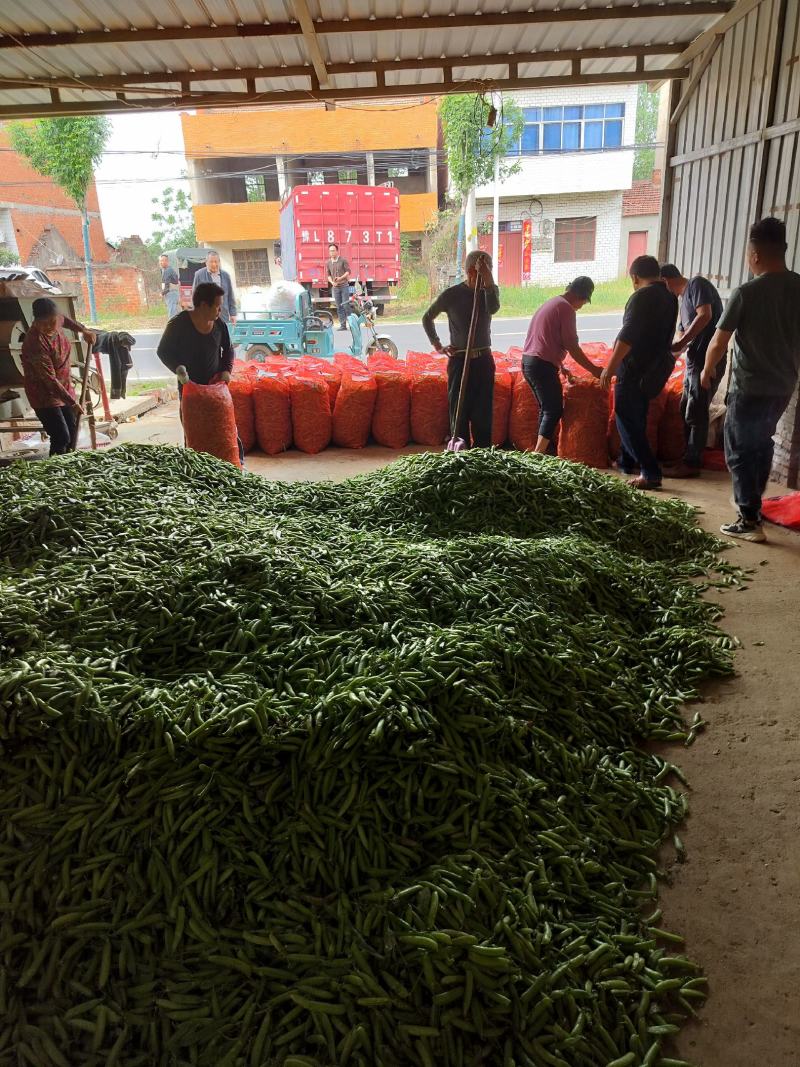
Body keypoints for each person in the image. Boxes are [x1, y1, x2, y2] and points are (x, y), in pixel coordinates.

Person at [700, 217, 800, 542]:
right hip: (783, 386)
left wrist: (706, 370)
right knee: (762, 443)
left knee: (740, 450)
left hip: (750, 388)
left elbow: (719, 340)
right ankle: (752, 503)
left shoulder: (746, 292)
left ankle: (748, 519)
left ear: (755, 255)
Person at [599, 255, 678, 490]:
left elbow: (628, 336)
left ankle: (650, 473)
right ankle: (627, 462)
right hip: (654, 371)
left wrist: (609, 368)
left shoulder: (641, 296)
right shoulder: (669, 296)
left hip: (634, 371)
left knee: (626, 419)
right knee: (638, 418)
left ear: (635, 277)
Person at [157, 282, 243, 464]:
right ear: (204, 305)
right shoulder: (179, 324)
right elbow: (163, 351)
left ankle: (235, 465)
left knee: (224, 428)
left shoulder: (219, 325)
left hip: (216, 390)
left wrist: (226, 370)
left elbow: (228, 350)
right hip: (190, 390)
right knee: (195, 433)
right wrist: (178, 369)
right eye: (217, 306)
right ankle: (198, 469)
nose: (220, 311)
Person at [422, 250, 500, 448]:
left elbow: (493, 308)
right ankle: (461, 454)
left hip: (483, 360)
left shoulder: (489, 291)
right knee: (459, 411)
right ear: (470, 272)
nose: (487, 275)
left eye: (490, 270)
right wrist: (438, 345)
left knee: (483, 413)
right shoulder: (452, 295)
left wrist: (488, 281)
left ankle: (483, 456)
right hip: (459, 360)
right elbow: (427, 318)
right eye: (484, 270)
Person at [521, 276, 600, 454]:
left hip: (529, 362)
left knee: (546, 407)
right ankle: (537, 454)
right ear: (581, 296)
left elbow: (546, 338)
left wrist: (561, 366)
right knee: (554, 409)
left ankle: (539, 450)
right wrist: (594, 370)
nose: (581, 306)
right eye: (584, 302)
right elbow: (572, 346)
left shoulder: (553, 302)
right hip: (541, 365)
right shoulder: (566, 309)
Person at [660, 263, 724, 477]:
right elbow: (680, 341)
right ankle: (687, 457)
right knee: (685, 407)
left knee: (696, 410)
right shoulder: (683, 300)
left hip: (708, 360)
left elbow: (705, 315)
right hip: (694, 361)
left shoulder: (697, 285)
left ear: (666, 280)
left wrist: (682, 342)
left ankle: (692, 463)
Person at [20, 297, 96, 457]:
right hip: (43, 394)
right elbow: (49, 380)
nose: (50, 327)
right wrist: (72, 403)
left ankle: (70, 465)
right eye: (44, 324)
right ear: (36, 321)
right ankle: (56, 471)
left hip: (64, 386)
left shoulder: (57, 319)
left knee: (72, 431)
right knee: (61, 436)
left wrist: (83, 330)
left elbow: (65, 320)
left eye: (52, 322)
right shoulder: (34, 342)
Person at [191, 251, 237, 324]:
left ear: (219, 262)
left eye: (216, 262)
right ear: (206, 263)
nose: (214, 264)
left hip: (223, 315)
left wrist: (233, 314)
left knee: (222, 333)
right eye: (211, 262)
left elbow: (230, 296)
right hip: (206, 315)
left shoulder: (225, 276)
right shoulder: (199, 275)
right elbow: (194, 296)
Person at [327, 243, 351, 330]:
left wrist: (340, 278)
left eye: (333, 251)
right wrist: (332, 282)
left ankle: (352, 324)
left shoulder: (343, 260)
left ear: (337, 251)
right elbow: (328, 275)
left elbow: (348, 272)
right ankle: (343, 325)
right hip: (335, 288)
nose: (331, 252)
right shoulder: (328, 262)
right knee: (339, 306)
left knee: (346, 305)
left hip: (344, 286)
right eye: (330, 251)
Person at [159, 253, 181, 320]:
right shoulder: (168, 270)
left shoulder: (168, 270)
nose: (162, 262)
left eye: (164, 260)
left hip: (171, 294)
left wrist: (162, 293)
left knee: (172, 314)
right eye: (161, 261)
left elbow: (166, 285)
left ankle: (172, 329)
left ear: (167, 261)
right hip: (174, 293)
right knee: (176, 312)